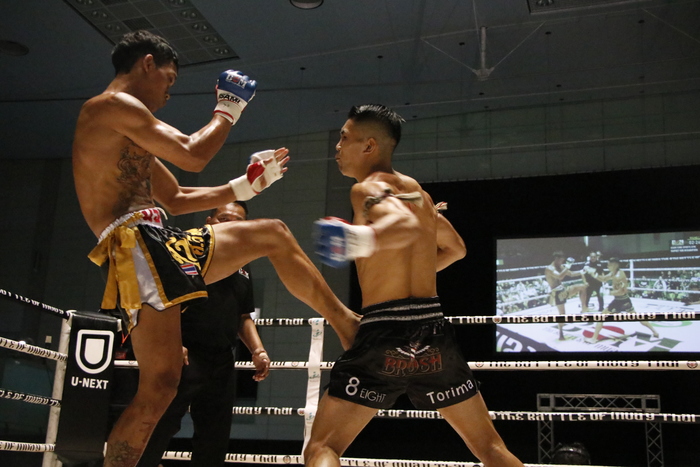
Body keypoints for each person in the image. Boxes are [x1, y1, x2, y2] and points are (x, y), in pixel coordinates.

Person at [72, 30, 358, 467]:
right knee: (159, 388)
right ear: (147, 64)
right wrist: (229, 108)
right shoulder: (110, 106)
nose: (169, 94)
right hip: (132, 244)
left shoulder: (130, 130)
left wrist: (246, 186)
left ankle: (347, 324)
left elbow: (176, 198)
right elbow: (193, 154)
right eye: (169, 80)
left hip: (161, 239)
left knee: (273, 232)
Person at [306, 104, 524, 467]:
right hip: (433, 333)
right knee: (491, 449)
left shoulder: (366, 189)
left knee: (322, 449)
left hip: (384, 332)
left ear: (369, 146)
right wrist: (408, 264)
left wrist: (356, 240)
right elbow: (456, 248)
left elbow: (402, 226)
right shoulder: (420, 196)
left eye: (344, 138)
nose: (338, 146)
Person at [136, 201, 268, 467]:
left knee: (214, 439)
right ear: (209, 222)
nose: (231, 225)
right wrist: (171, 344)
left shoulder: (243, 265)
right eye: (224, 219)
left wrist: (258, 350)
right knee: (159, 426)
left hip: (222, 361)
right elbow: (162, 301)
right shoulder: (186, 251)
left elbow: (243, 316)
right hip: (184, 356)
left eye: (238, 222)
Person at [586, 257, 658, 344]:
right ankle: (655, 332)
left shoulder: (619, 276)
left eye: (609, 265)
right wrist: (594, 274)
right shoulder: (614, 272)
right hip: (624, 300)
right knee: (637, 316)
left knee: (601, 317)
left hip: (620, 301)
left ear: (615, 265)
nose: (607, 266)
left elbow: (622, 291)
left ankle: (594, 338)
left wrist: (608, 292)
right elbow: (604, 278)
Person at [544, 252, 587, 340]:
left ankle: (584, 308)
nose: (562, 262)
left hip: (563, 289)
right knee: (562, 314)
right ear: (556, 259)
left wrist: (582, 271)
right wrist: (567, 266)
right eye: (561, 260)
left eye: (563, 261)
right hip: (557, 293)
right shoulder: (549, 268)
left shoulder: (561, 267)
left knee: (582, 287)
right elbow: (559, 277)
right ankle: (561, 334)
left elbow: (571, 274)